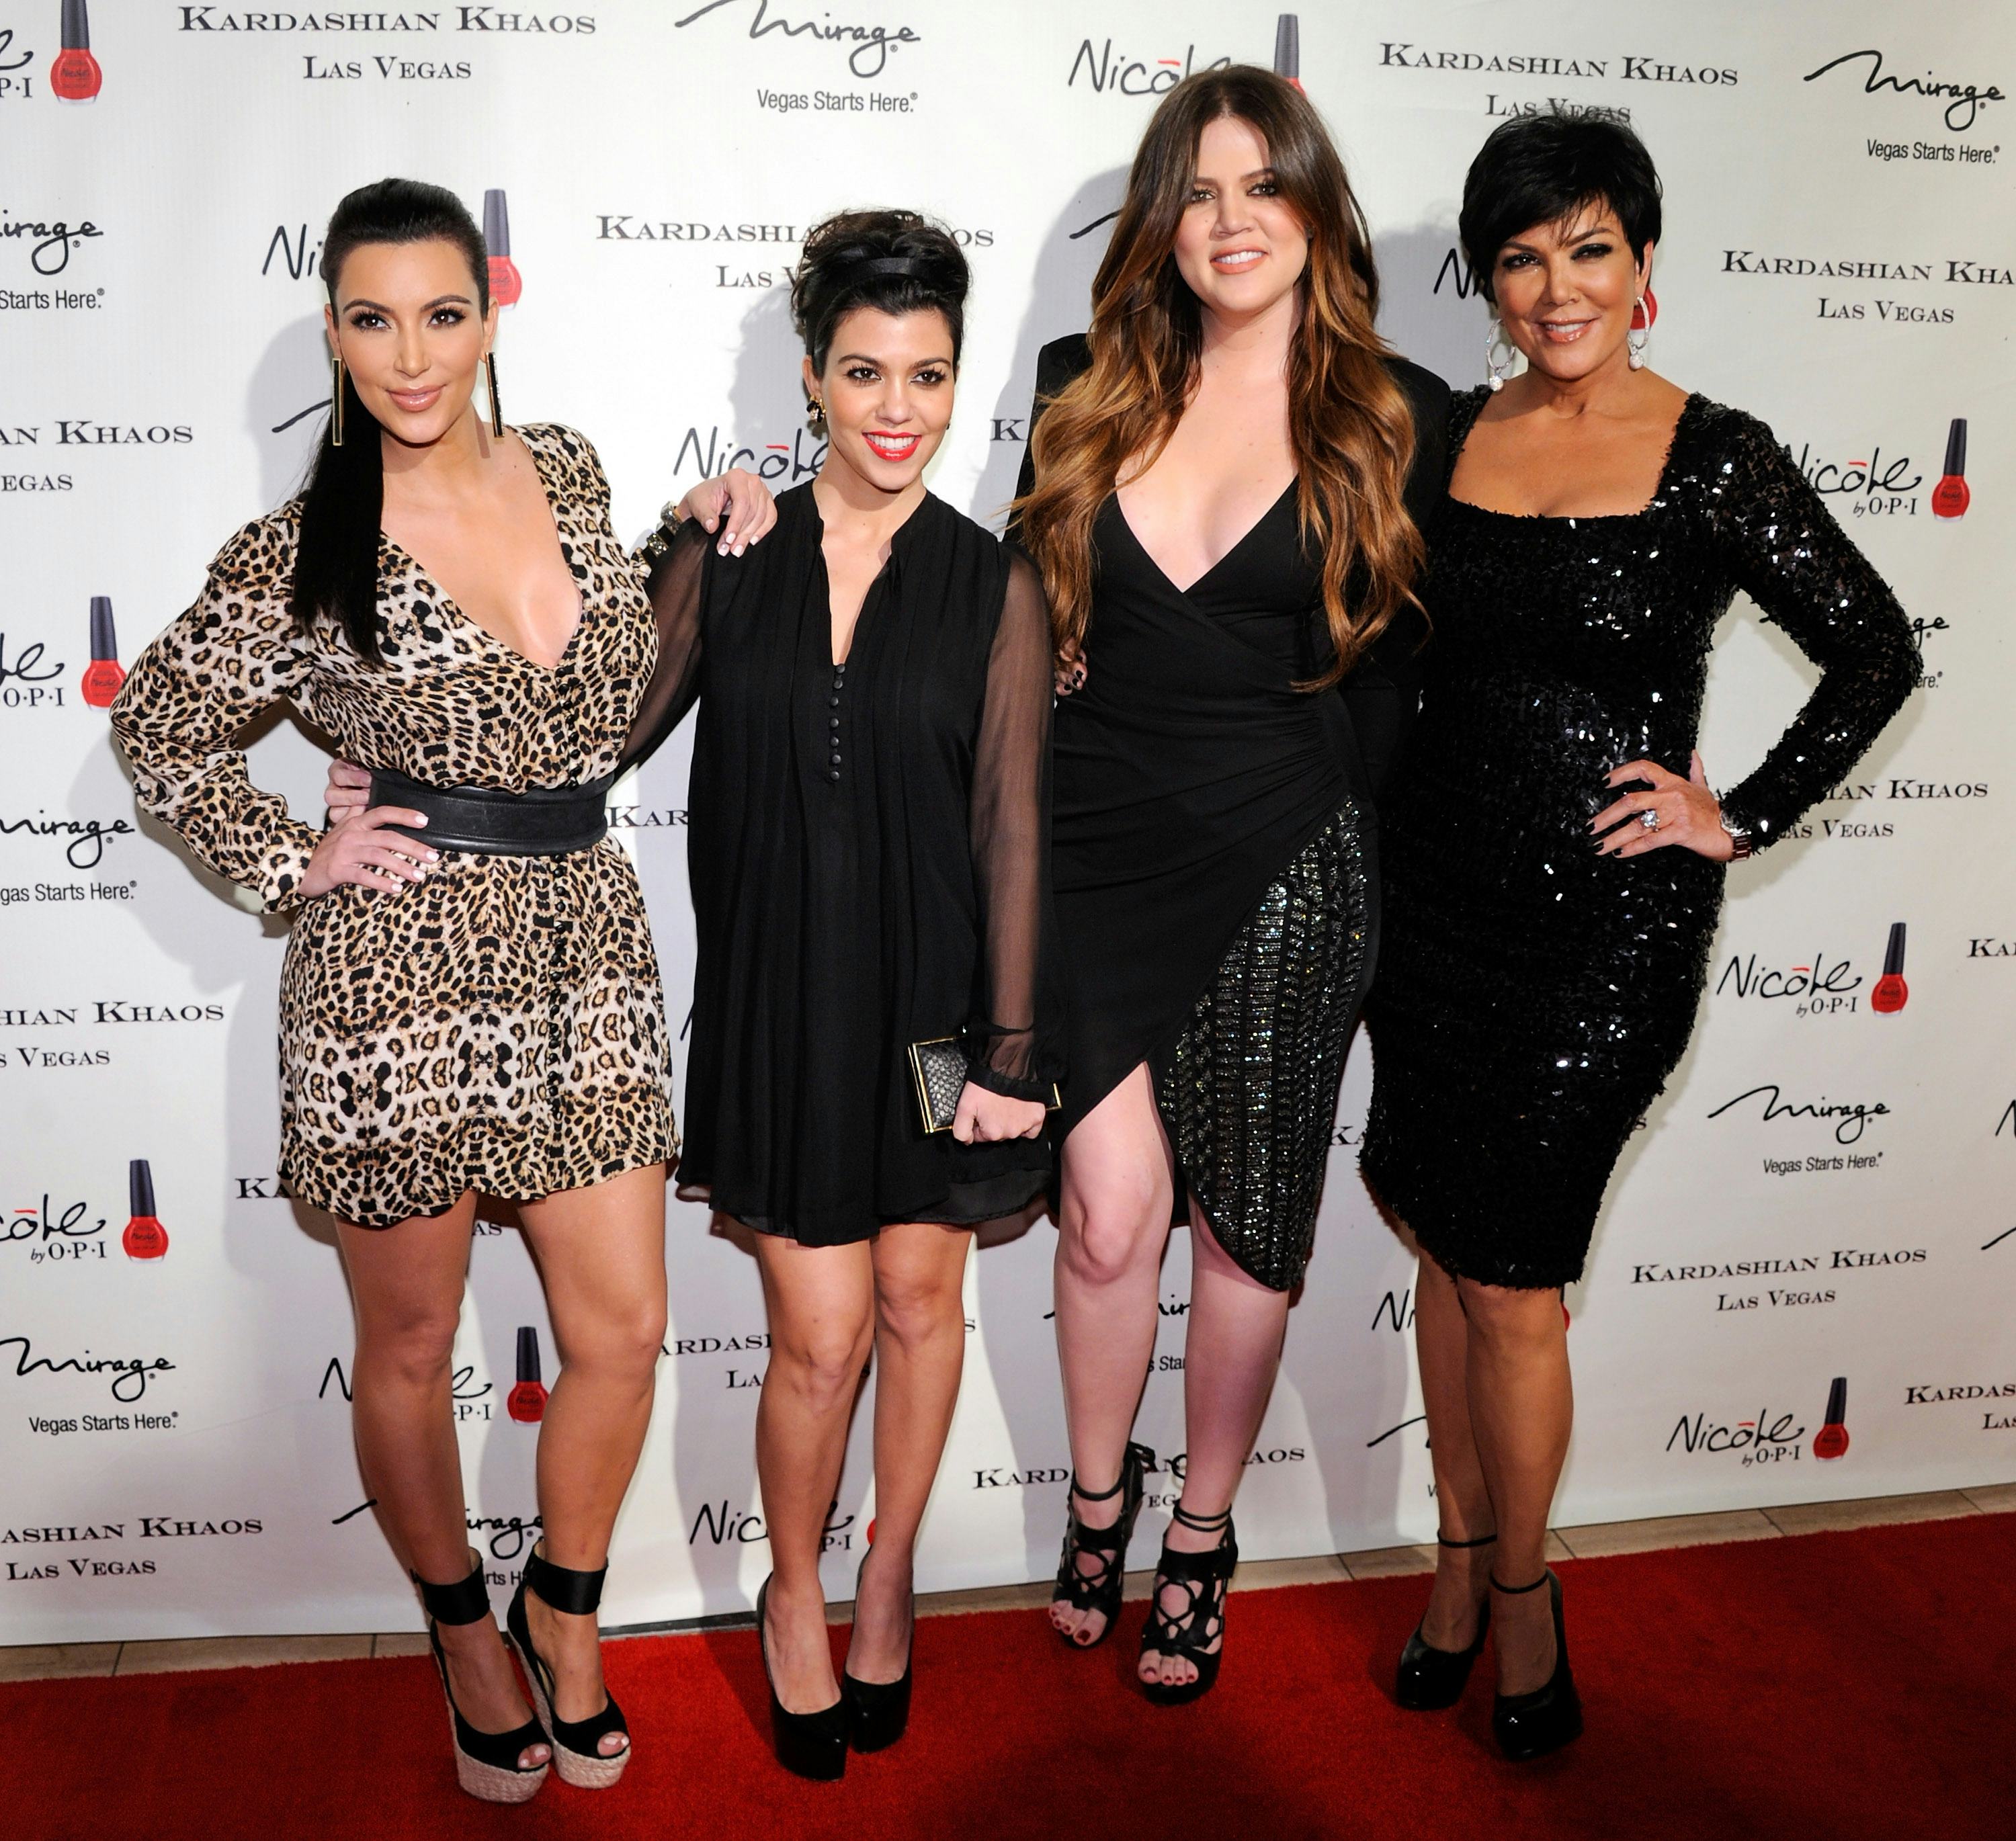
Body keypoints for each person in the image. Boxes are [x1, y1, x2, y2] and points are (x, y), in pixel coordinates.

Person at [111, 177, 773, 1805]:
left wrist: (700, 523)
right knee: (406, 1346)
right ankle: (463, 1628)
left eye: (442, 313)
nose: (411, 354)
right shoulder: (299, 551)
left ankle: (565, 1603)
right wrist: (294, 858)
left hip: (584, 947)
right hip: (392, 982)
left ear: (491, 314)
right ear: (335, 334)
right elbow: (157, 727)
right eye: (372, 319)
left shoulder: (570, 469)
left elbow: (601, 672)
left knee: (622, 1326)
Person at [1360, 114, 1920, 1760]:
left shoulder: (1715, 454)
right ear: (1491, 279)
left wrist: (1736, 810)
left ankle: (1524, 1590)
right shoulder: (1446, 434)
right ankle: (1457, 1561)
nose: (1559, 288)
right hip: (1433, 907)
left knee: (1514, 1279)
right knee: (1445, 1246)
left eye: (1591, 249)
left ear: (1645, 263)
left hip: (1604, 934)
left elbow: (1875, 648)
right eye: (1524, 257)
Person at [1013, 66, 1447, 1703]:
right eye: (1196, 191)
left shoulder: (1399, 414)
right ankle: (1096, 1500)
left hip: (1287, 860)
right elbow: (1014, 608)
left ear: (1315, 209)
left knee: (1247, 1227)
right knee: (1108, 1211)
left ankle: (1199, 1533)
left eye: (1263, 185)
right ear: (1161, 220)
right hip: (1091, 852)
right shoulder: (1083, 387)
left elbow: (1421, 673)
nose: (1229, 219)